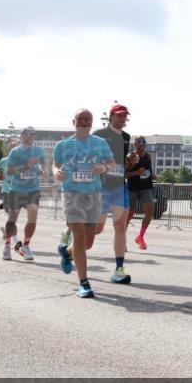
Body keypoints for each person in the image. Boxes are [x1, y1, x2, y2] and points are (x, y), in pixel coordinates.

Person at [53, 109, 115, 298]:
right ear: (74, 122)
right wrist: (56, 172)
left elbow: (112, 163)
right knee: (79, 235)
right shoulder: (63, 145)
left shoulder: (100, 143)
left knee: (88, 241)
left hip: (93, 193)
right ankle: (84, 282)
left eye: (89, 119)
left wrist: (103, 167)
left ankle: (66, 252)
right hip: (71, 193)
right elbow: (54, 165)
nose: (85, 122)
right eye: (81, 119)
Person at [93, 104, 135, 284]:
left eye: (125, 116)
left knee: (120, 225)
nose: (122, 119)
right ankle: (72, 237)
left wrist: (130, 162)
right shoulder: (99, 134)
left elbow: (121, 165)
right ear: (111, 116)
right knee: (96, 229)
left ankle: (119, 269)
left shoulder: (126, 137)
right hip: (102, 185)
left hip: (119, 185)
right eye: (119, 116)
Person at [3, 127, 45, 261]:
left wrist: (41, 170)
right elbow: (9, 171)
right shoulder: (15, 152)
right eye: (28, 134)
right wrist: (26, 166)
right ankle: (7, 245)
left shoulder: (39, 150)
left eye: (33, 134)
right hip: (17, 189)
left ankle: (26, 246)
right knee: (12, 219)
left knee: (33, 219)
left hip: (33, 189)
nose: (31, 136)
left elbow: (42, 166)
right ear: (22, 136)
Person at [125, 136, 156, 250]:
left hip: (146, 188)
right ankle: (122, 240)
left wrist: (153, 175)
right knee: (129, 215)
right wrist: (137, 173)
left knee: (149, 212)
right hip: (132, 188)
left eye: (144, 142)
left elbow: (149, 170)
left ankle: (140, 237)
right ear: (134, 144)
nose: (142, 143)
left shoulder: (148, 156)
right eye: (139, 142)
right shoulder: (130, 157)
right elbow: (125, 174)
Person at [0, 146, 21, 254]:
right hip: (5, 191)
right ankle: (15, 241)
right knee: (11, 217)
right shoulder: (4, 160)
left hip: (17, 192)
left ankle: (7, 233)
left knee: (12, 218)